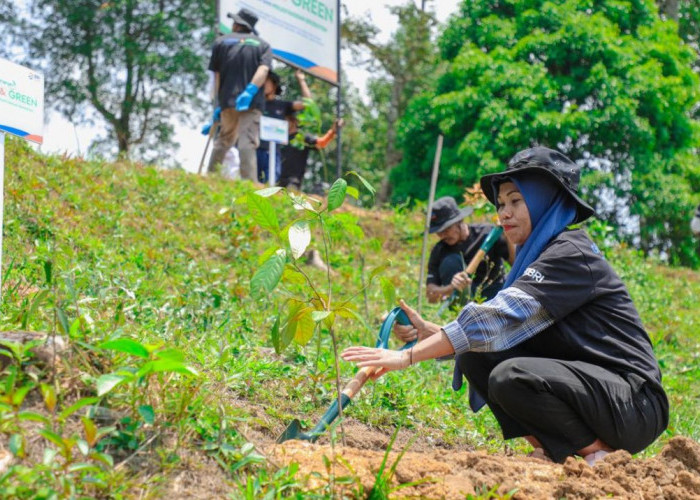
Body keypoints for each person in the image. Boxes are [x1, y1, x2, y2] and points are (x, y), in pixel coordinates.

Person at [342, 146, 669, 466]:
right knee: (475, 356)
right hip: (595, 394)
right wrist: (429, 334)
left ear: (546, 202)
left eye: (516, 201)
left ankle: (599, 455)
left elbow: (498, 318)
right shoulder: (538, 255)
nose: (504, 213)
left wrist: (407, 356)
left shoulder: (570, 253)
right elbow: (498, 333)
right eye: (501, 203)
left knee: (513, 375)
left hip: (633, 403)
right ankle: (556, 450)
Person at [207, 8, 271, 180]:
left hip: (227, 100)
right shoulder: (263, 45)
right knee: (247, 142)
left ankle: (210, 178)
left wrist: (217, 104)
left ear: (236, 24)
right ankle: (248, 184)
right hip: (251, 102)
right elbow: (263, 69)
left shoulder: (221, 42)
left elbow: (216, 76)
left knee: (224, 139)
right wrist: (250, 90)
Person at [426, 196, 514, 305]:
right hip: (463, 306)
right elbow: (430, 296)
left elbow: (516, 264)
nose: (442, 235)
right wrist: (451, 287)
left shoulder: (488, 234)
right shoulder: (439, 251)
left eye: (446, 229)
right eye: (439, 232)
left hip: (495, 295)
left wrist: (508, 237)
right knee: (450, 261)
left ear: (459, 221)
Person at [257, 69, 310, 183]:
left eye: (267, 81)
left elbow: (308, 103)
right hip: (255, 150)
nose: (263, 84)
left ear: (274, 85)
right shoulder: (256, 104)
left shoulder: (282, 105)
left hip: (272, 151)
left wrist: (301, 80)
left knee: (270, 182)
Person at [279, 115, 343, 191]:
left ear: (295, 122)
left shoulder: (302, 138)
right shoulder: (280, 137)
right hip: (277, 177)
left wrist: (333, 131)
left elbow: (321, 143)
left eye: (287, 120)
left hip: (293, 179)